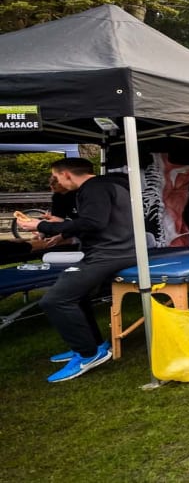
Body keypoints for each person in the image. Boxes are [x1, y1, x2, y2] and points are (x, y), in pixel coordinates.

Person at [14, 158, 135, 383]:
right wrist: (63, 233)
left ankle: (88, 354)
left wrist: (40, 226)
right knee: (77, 297)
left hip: (109, 255)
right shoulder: (104, 185)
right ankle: (95, 344)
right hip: (114, 251)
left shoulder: (94, 189)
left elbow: (93, 223)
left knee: (54, 300)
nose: (57, 182)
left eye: (57, 177)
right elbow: (103, 223)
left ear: (67, 174)